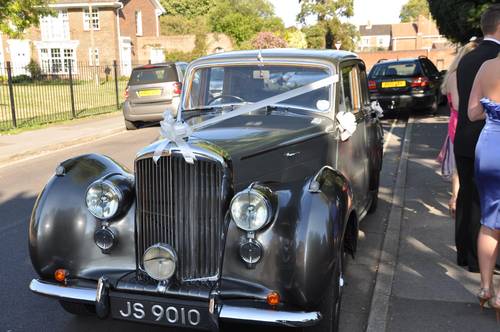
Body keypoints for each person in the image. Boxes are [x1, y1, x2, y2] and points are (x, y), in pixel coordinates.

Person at [453, 4, 500, 272]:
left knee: (466, 198)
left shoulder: (467, 58)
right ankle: (483, 260)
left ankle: (464, 253)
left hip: (463, 139)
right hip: (491, 140)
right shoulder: (496, 59)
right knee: (489, 203)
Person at [437, 42, 477, 217]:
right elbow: (459, 104)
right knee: (458, 168)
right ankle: (455, 200)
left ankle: (457, 200)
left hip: (460, 122)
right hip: (459, 123)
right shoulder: (456, 75)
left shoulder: (458, 74)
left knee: (460, 167)